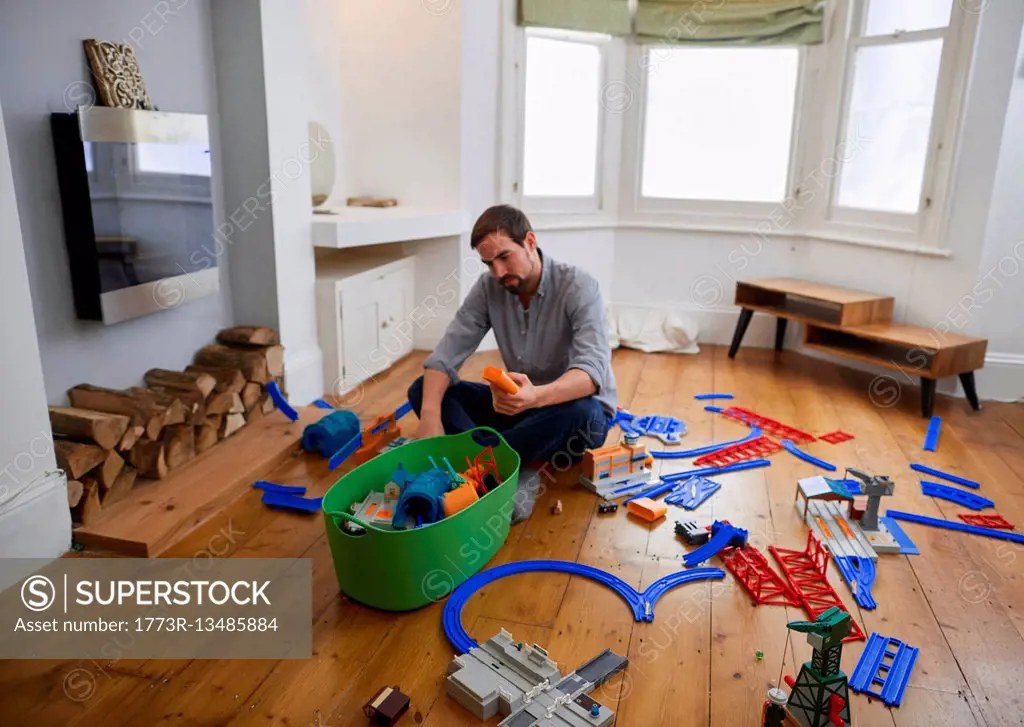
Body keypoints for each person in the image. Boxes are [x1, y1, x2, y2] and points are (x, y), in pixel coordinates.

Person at [407, 204, 617, 522]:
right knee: (425, 390)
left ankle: (484, 461)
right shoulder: (488, 288)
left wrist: (535, 397)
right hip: (518, 410)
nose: (498, 273)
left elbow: (590, 373)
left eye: (505, 257)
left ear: (530, 242)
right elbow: (446, 354)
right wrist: (431, 418)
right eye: (488, 263)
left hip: (569, 413)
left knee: (585, 413)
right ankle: (506, 467)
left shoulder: (580, 287)